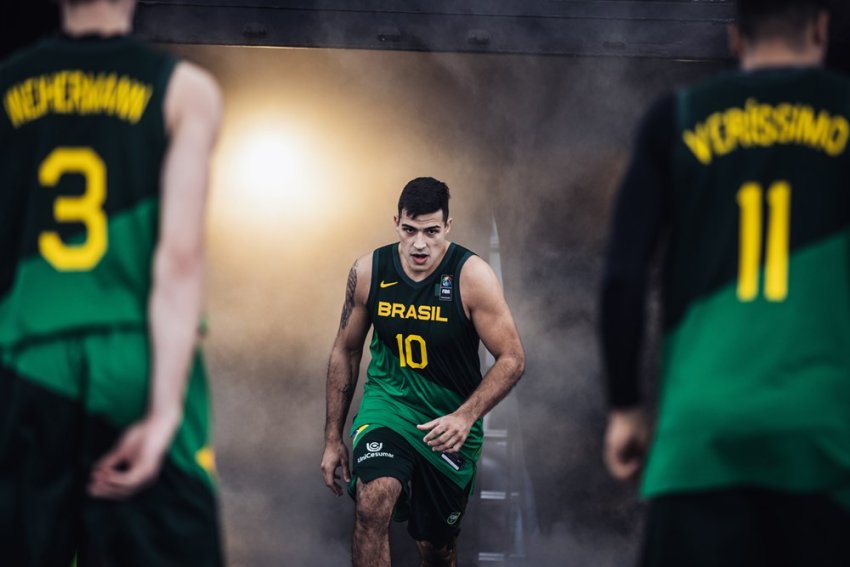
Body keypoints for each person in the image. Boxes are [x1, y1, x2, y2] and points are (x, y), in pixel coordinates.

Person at [600, 0, 850, 565]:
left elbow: (623, 276)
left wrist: (626, 408)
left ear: (735, 39)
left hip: (702, 438)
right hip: (825, 440)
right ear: (820, 29)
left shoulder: (679, 117)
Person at [0, 0, 223, 565]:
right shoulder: (184, 90)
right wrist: (164, 412)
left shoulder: (5, 87)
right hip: (132, 355)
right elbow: (178, 258)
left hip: (25, 359)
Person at [321, 177, 525, 567]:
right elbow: (345, 351)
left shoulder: (472, 276)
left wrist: (466, 416)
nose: (419, 244)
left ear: (447, 226)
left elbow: (513, 358)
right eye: (409, 230)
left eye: (431, 231)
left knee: (436, 549)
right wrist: (332, 438)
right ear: (396, 221)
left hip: (447, 421)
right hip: (388, 406)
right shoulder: (368, 271)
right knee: (371, 502)